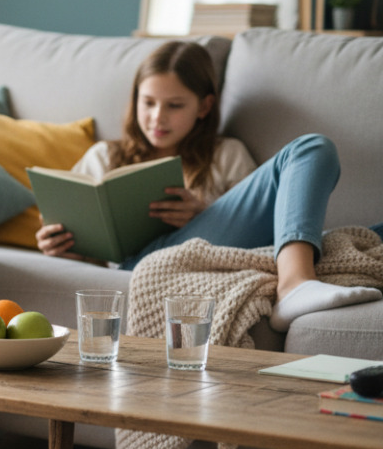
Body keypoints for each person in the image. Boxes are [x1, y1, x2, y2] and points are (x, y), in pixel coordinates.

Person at [35, 40, 382, 330]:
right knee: (312, 150)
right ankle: (295, 285)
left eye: (174, 105)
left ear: (204, 106)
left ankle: (297, 281)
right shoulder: (103, 156)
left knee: (319, 156)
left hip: (203, 250)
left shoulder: (226, 154)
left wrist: (204, 212)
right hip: (137, 265)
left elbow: (263, 228)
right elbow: (90, 249)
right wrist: (67, 246)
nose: (157, 117)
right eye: (148, 102)